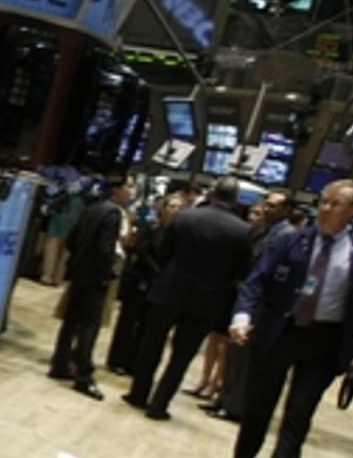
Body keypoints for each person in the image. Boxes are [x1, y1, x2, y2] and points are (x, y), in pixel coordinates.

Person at [225, 179, 353, 458]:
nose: (326, 209)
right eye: (323, 202)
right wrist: (242, 316)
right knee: (260, 401)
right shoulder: (291, 241)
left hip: (325, 342)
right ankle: (243, 457)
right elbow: (256, 281)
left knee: (300, 411)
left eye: (336, 204)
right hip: (279, 333)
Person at [122, 177, 252, 420]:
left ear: (212, 193)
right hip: (207, 301)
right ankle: (159, 405)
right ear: (235, 201)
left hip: (169, 290)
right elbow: (241, 272)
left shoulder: (185, 217)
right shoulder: (242, 231)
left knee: (151, 345)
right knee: (181, 356)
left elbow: (164, 252)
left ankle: (138, 394)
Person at [203, 190, 295, 421]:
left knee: (245, 359)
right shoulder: (264, 231)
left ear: (286, 210)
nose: (266, 208)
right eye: (267, 204)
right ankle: (223, 400)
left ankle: (235, 407)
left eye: (273, 205)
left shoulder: (287, 236)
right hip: (248, 299)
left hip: (263, 304)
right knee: (234, 355)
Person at [48, 174, 133, 400]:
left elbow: (72, 239)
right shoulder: (113, 213)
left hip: (78, 273)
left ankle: (60, 364)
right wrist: (108, 274)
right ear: (117, 189)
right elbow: (105, 248)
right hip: (94, 278)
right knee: (89, 326)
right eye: (128, 186)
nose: (131, 190)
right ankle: (83, 376)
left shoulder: (93, 208)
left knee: (71, 322)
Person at [106, 192, 182, 375]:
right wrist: (158, 273)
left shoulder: (178, 234)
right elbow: (142, 251)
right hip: (140, 279)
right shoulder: (150, 227)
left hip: (158, 286)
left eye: (179, 207)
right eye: (172, 206)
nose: (175, 210)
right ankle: (117, 359)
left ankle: (134, 362)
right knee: (128, 321)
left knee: (146, 326)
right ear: (163, 208)